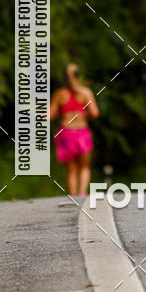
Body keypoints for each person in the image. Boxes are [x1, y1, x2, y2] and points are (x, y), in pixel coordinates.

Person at [49, 63, 99, 196]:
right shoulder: (86, 93)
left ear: (64, 78)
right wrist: (82, 114)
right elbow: (94, 113)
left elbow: (49, 115)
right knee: (84, 167)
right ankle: (82, 193)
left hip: (66, 133)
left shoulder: (60, 94)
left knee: (72, 170)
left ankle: (73, 196)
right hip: (82, 133)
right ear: (79, 76)